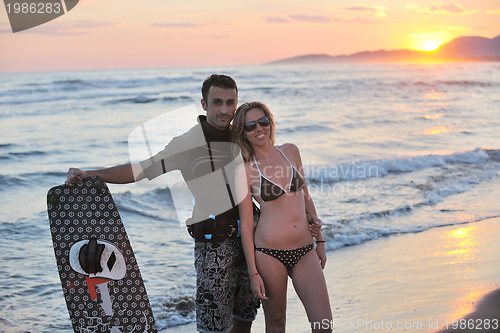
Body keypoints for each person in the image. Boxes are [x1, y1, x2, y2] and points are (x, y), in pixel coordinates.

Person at [65, 74, 322, 333]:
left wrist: (304, 216)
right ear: (204, 104)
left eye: (230, 102)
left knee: (244, 320)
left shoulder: (242, 135)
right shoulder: (187, 144)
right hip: (213, 244)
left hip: (253, 241)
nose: (224, 109)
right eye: (217, 102)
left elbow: (277, 170)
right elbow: (141, 170)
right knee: (213, 327)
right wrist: (91, 174)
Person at [232, 101, 333, 333]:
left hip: (305, 250)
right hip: (269, 255)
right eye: (250, 126)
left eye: (263, 121)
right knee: (276, 324)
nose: (259, 129)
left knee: (324, 324)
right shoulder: (245, 171)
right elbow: (247, 225)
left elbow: (306, 197)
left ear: (270, 122)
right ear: (243, 133)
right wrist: (253, 273)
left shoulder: (290, 151)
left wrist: (320, 241)